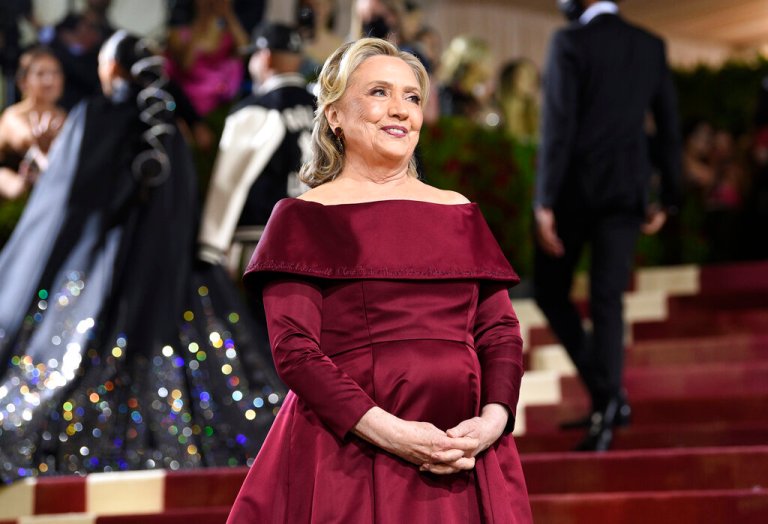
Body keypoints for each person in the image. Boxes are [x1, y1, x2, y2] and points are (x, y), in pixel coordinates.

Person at [226, 37, 532, 523]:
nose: (400, 110)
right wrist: (393, 433)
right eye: (379, 93)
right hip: (351, 454)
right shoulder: (303, 218)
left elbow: (499, 333)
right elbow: (295, 351)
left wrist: (493, 420)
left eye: (412, 97)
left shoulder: (460, 211)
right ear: (334, 115)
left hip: (465, 455)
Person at [0, 30, 283, 484]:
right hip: (170, 289)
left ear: (110, 68)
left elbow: (61, 210)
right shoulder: (168, 129)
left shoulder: (94, 116)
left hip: (98, 284)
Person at [534, 0, 681, 451]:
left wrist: (544, 199)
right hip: (627, 192)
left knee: (550, 291)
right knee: (607, 300)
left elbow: (557, 124)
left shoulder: (570, 41)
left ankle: (606, 398)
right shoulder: (648, 44)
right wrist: (669, 197)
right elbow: (669, 125)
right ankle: (609, 402)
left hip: (576, 192)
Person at [198, 22, 314, 270]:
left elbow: (228, 181)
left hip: (262, 240)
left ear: (265, 57)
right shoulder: (323, 109)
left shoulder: (258, 108)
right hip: (315, 240)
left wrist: (210, 245)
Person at [0, 47, 66, 200]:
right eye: (40, 74)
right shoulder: (13, 115)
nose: (49, 80)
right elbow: (25, 139)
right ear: (23, 82)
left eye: (55, 73)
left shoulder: (65, 116)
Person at [165, 0, 249, 118]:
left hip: (229, 106)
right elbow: (185, 65)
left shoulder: (226, 31)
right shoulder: (178, 33)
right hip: (193, 112)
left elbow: (244, 50)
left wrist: (228, 14)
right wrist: (202, 19)